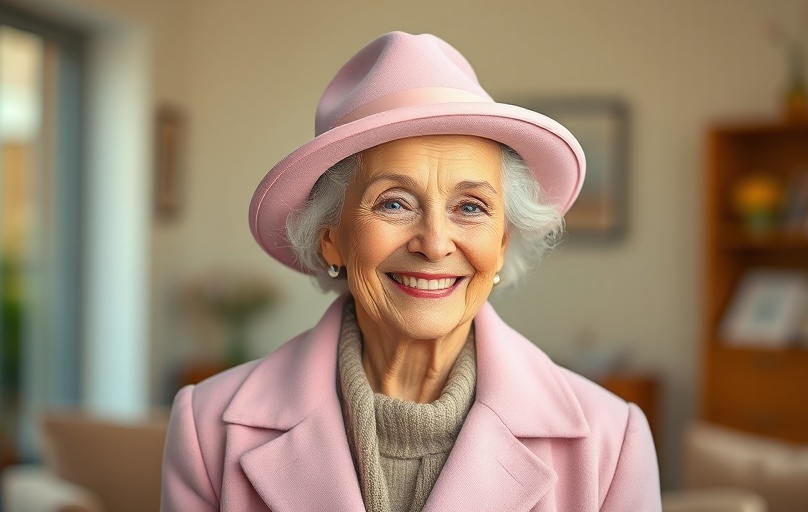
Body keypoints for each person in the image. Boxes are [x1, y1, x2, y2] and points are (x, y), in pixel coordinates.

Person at [162, 31, 661, 511]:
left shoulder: (612, 441)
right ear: (330, 236)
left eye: (470, 208)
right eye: (395, 203)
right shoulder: (207, 430)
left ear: (503, 243)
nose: (435, 244)